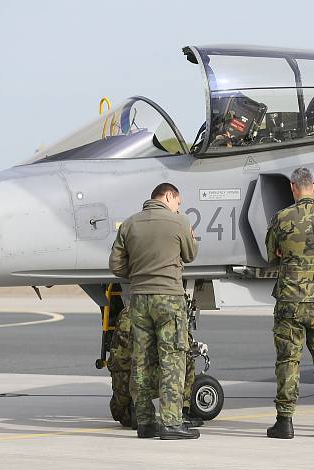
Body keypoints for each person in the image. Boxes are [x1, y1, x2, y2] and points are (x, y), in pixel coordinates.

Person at [109, 183, 200, 440]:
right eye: (178, 202)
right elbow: (191, 255)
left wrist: (138, 274)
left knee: (141, 358)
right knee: (172, 358)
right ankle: (171, 423)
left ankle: (145, 422)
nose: (178, 207)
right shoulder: (179, 222)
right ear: (169, 196)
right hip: (169, 297)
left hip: (138, 298)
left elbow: (116, 264)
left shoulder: (129, 224)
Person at [265, 167, 314, 439]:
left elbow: (271, 255)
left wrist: (284, 252)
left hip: (290, 300)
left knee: (288, 359)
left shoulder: (282, 218)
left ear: (294, 188)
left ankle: (285, 422)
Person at [108, 305, 203, 429]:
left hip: (122, 381)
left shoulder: (126, 312)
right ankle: (182, 412)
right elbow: (182, 346)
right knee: (186, 360)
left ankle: (133, 406)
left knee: (121, 415)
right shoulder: (164, 311)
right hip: (143, 378)